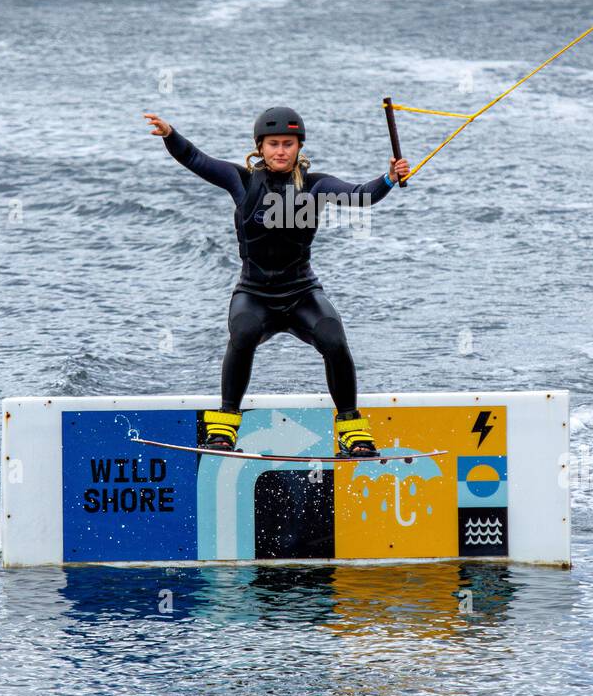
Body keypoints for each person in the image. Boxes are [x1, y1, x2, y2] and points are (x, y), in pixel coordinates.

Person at [144, 106, 410, 457]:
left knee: (333, 336)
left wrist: (389, 178)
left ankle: (351, 430)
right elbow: (195, 158)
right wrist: (170, 135)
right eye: (273, 144)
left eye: (288, 143)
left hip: (301, 294)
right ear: (260, 147)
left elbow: (362, 194)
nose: (281, 150)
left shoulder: (317, 186)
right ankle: (224, 426)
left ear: (299, 147)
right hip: (254, 295)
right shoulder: (240, 180)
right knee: (243, 333)